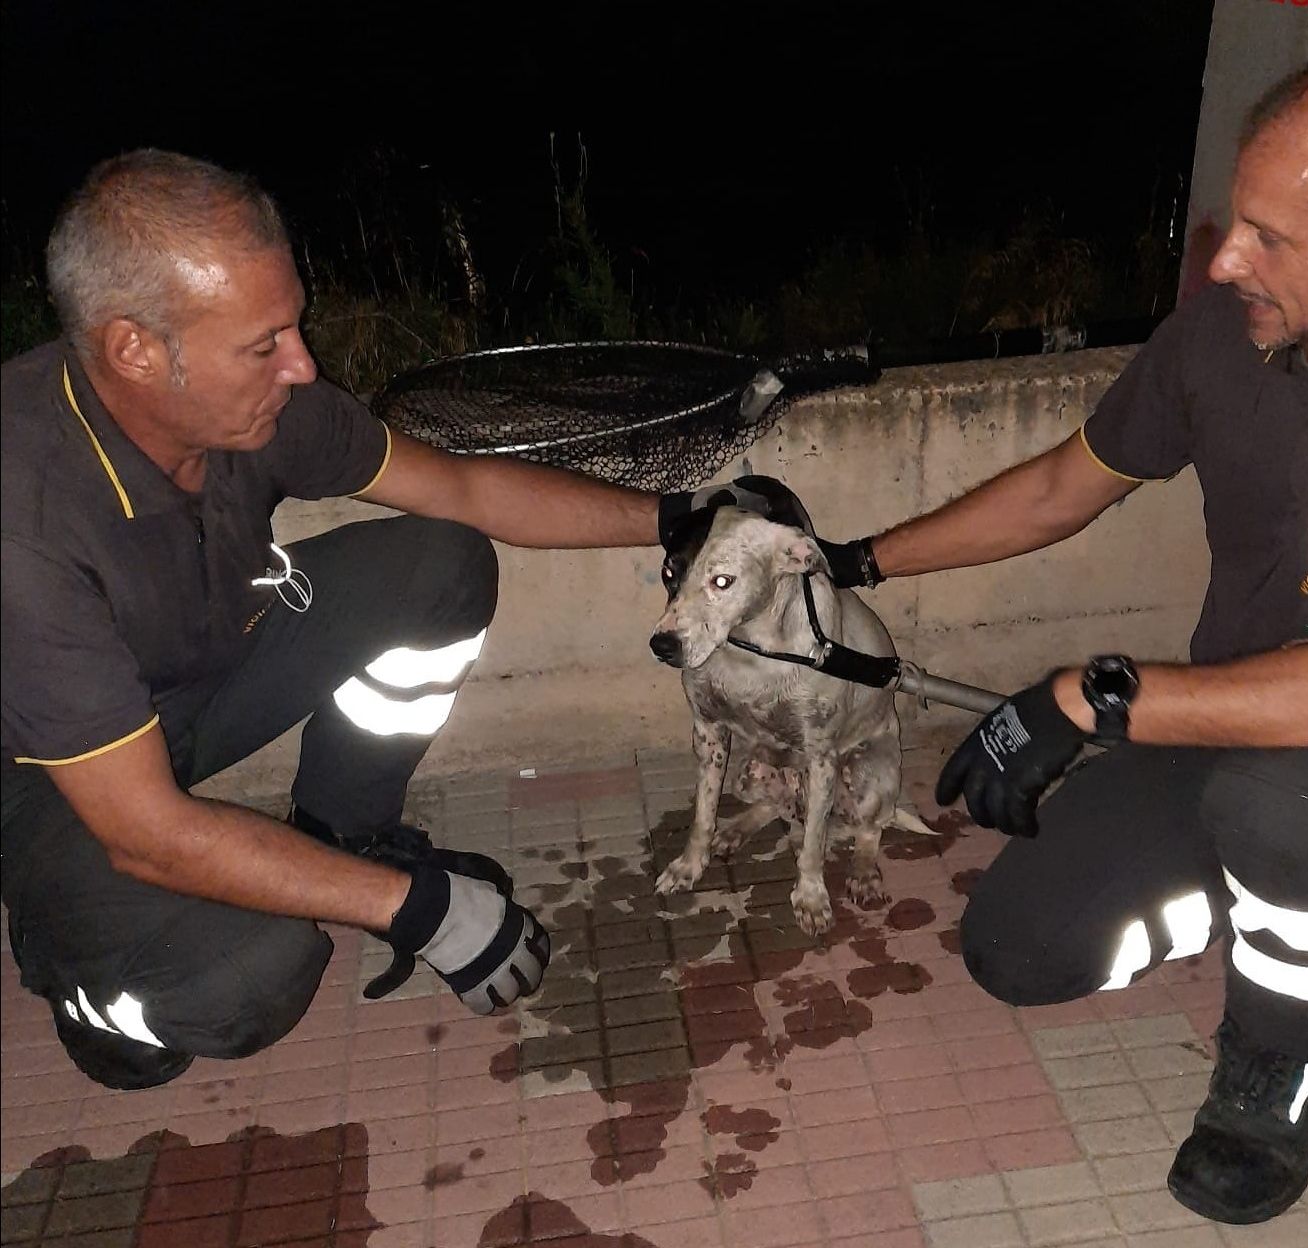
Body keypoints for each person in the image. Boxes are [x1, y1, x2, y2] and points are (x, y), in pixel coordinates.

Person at [813, 41, 1308, 1225]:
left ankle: (1291, 1062)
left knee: (1297, 809)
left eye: (1273, 236)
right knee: (1024, 954)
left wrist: (1100, 696)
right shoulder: (1229, 331)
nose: (1226, 257)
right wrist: (849, 564)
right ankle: (1283, 894)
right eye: (1235, 219)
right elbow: (1058, 489)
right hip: (1240, 709)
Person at [0, 149, 778, 1093]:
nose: (302, 364)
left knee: (439, 562)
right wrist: (421, 911)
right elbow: (145, 831)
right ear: (133, 349)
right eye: (265, 343)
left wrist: (680, 518)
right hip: (56, 791)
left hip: (194, 691)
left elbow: (463, 487)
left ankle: (343, 828)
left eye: (292, 326)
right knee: (257, 971)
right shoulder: (26, 522)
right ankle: (94, 996)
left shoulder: (261, 407)